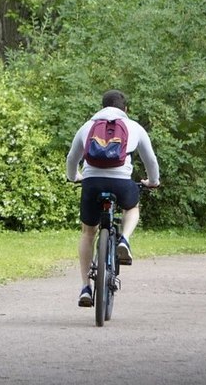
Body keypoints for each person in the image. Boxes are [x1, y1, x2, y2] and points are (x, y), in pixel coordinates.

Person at [65, 90, 160, 307]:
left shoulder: (88, 126)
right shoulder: (134, 127)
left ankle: (85, 287)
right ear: (125, 109)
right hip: (121, 183)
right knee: (132, 207)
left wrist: (74, 177)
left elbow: (72, 158)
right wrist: (152, 181)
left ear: (102, 106)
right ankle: (124, 239)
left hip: (91, 183)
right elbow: (150, 160)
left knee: (88, 232)